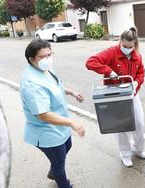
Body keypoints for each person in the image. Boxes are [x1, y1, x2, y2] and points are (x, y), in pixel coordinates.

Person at [20, 39, 85, 188]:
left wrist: (72, 92)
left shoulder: (45, 69)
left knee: (67, 145)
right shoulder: (32, 83)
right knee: (59, 163)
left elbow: (57, 86)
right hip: (46, 131)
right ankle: (63, 184)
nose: (48, 59)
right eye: (43, 56)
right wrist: (72, 123)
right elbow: (43, 115)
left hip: (59, 124)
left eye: (50, 54)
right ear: (31, 59)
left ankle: (53, 170)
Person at [86, 27, 145, 167]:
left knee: (139, 122)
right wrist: (108, 71)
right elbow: (90, 62)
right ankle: (125, 154)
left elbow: (141, 73)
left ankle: (138, 149)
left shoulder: (137, 56)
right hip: (115, 96)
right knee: (121, 126)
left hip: (131, 94)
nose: (127, 49)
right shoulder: (111, 52)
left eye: (130, 47)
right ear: (120, 41)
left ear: (135, 44)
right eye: (124, 46)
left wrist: (137, 81)